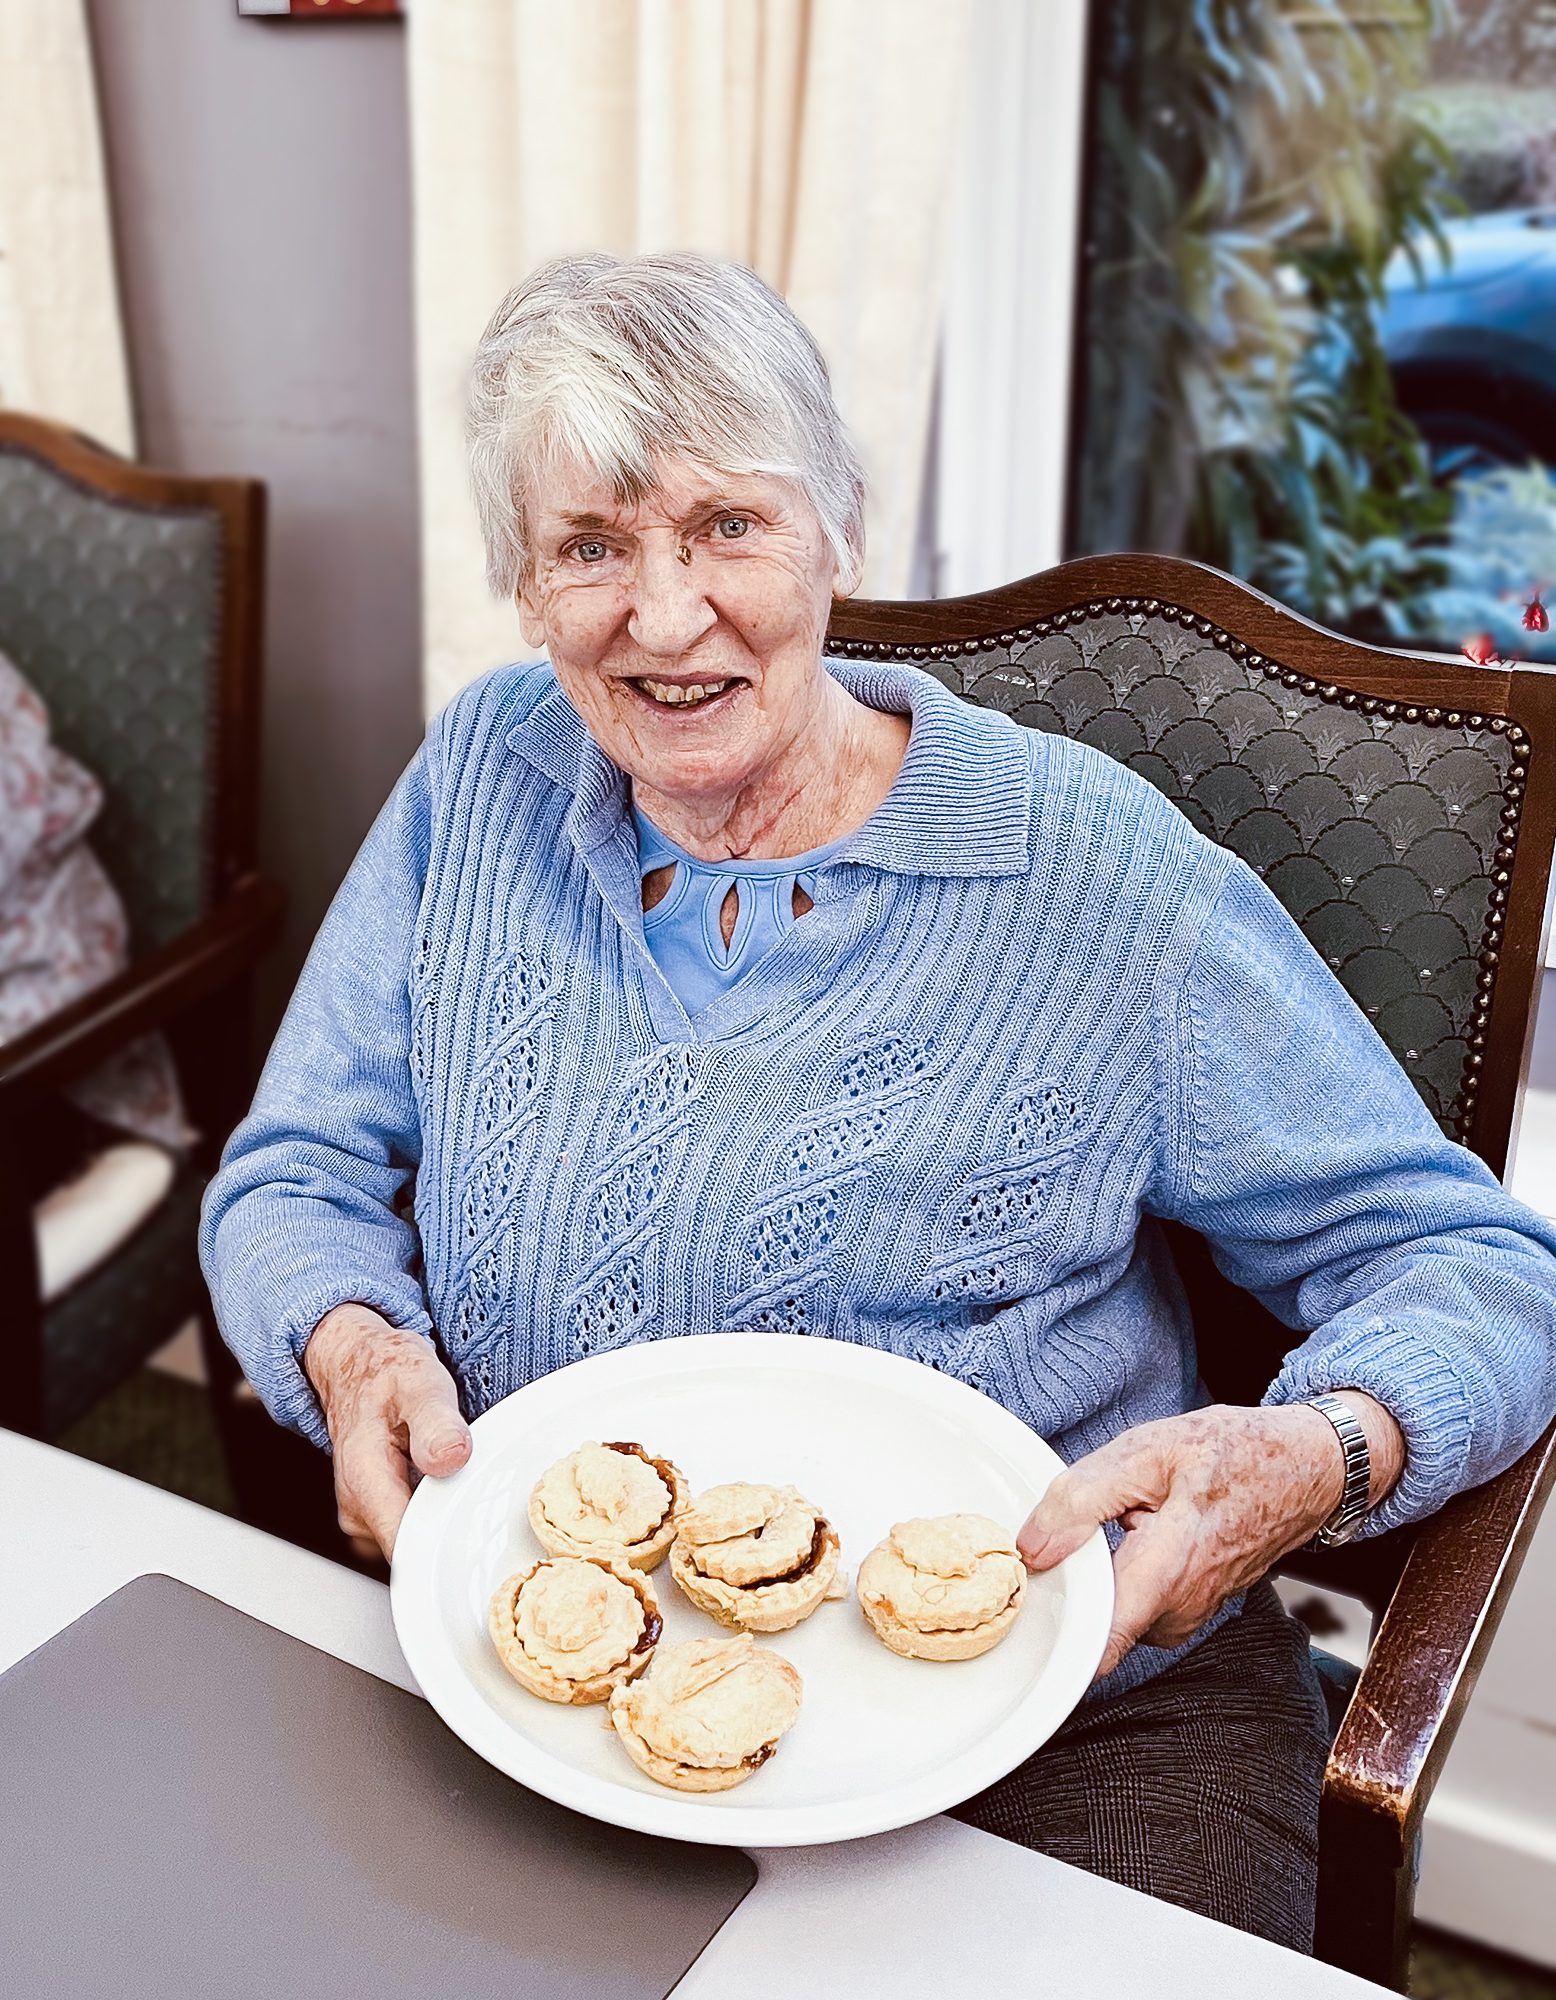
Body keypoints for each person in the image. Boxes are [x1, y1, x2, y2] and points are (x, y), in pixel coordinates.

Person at [199, 251, 1556, 1949]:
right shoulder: (481, 774)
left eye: (728, 527)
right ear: (524, 586)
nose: (668, 615)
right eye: (593, 546)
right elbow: (293, 1171)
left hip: (1059, 1711)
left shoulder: (1097, 881)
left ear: (839, 523)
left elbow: (1483, 1273)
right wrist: (345, 1337)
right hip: (551, 1672)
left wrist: (1312, 1452)